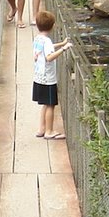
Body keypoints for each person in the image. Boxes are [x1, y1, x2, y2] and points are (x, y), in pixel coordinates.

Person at [32, 10, 71, 139]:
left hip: (38, 77)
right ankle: (49, 131)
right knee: (50, 105)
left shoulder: (38, 38)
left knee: (45, 104)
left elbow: (46, 48)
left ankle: (41, 129)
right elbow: (49, 57)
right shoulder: (47, 41)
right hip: (48, 79)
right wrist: (63, 49)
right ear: (52, 26)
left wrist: (61, 43)